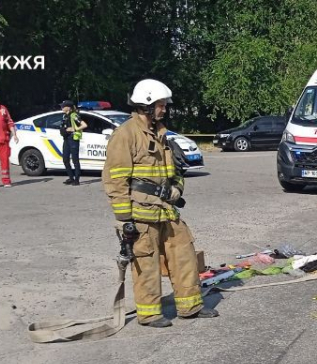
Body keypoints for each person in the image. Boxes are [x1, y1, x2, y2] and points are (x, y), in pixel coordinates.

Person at [103, 79, 218, 328]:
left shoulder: (163, 134)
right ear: (146, 105)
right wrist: (125, 220)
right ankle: (150, 313)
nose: (164, 110)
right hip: (141, 213)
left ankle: (190, 306)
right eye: (160, 105)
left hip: (165, 209)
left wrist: (177, 187)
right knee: (146, 262)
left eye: (164, 105)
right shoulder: (125, 135)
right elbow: (115, 180)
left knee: (184, 253)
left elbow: (175, 171)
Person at [59, 100, 87, 185]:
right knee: (65, 159)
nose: (62, 107)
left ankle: (77, 179)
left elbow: (84, 125)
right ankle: (71, 177)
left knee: (75, 160)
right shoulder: (65, 116)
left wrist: (74, 129)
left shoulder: (74, 115)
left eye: (63, 106)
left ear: (68, 107)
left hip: (73, 139)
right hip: (66, 139)